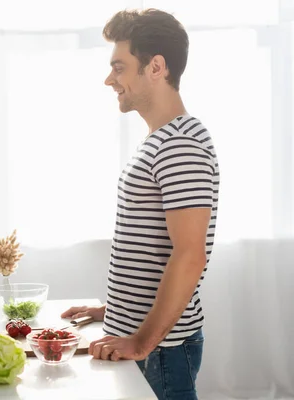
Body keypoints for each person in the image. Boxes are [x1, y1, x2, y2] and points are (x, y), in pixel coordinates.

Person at [62, 9, 219, 400]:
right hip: (146, 342)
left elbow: (189, 256)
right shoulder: (161, 141)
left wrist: (141, 342)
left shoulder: (180, 145)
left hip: (161, 354)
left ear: (156, 67)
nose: (109, 79)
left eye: (119, 67)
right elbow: (149, 250)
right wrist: (112, 312)